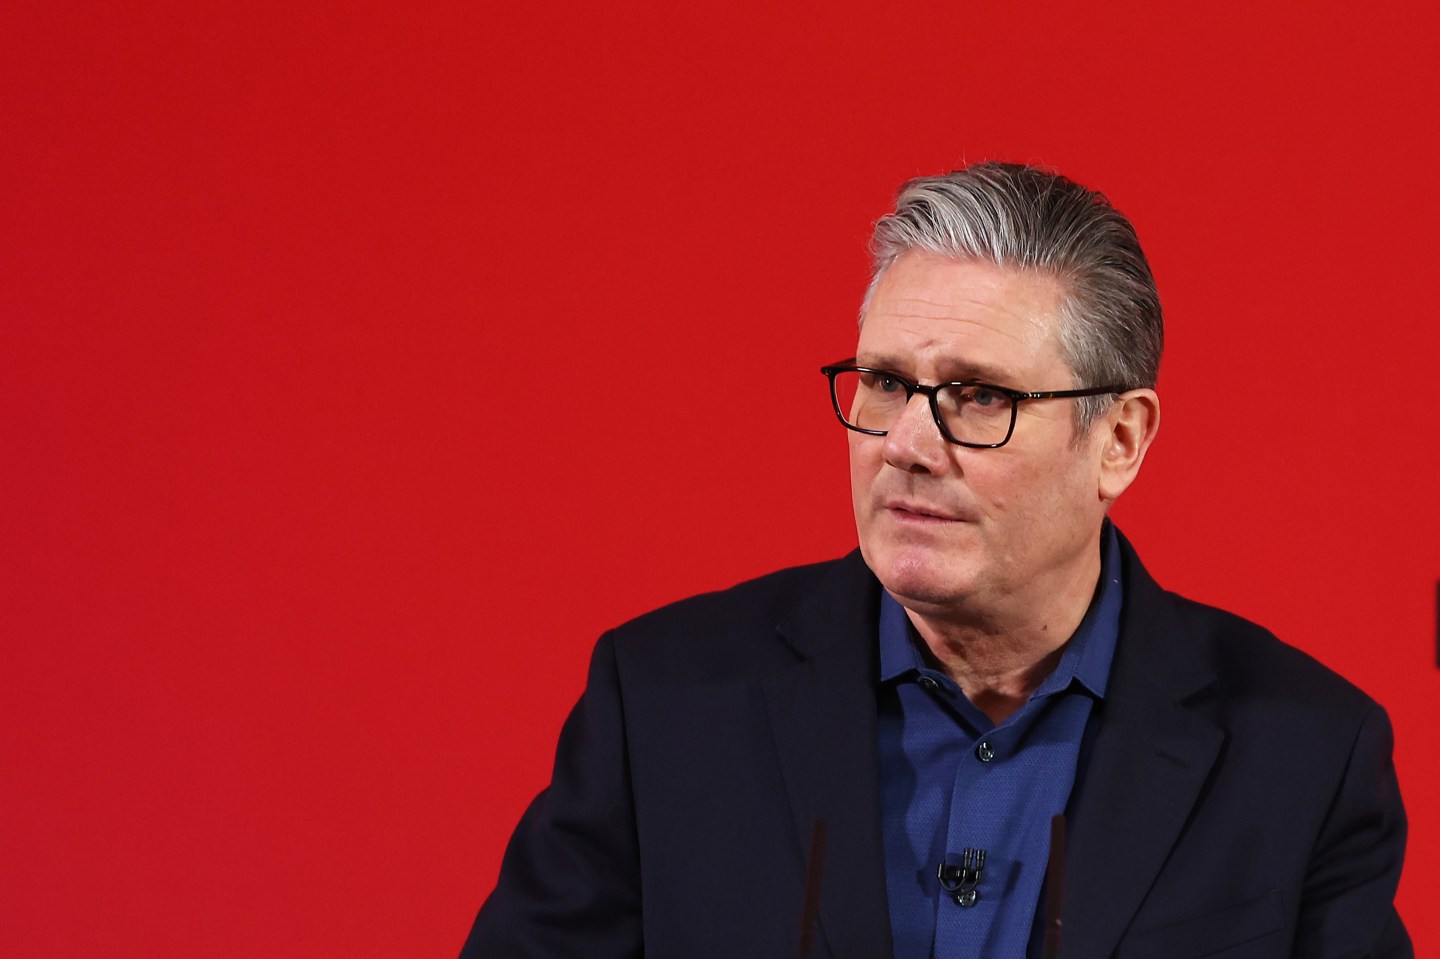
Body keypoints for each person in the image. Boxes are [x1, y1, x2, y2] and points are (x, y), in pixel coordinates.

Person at [458, 162, 1410, 958]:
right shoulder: (661, 704)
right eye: (883, 383)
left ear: (1118, 439)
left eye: (980, 395)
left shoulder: (1306, 754)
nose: (905, 442)